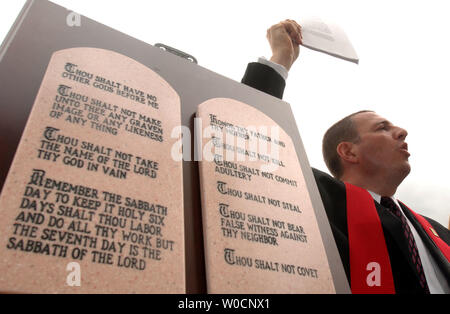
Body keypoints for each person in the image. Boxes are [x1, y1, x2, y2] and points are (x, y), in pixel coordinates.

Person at [241, 19, 449, 294]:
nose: (402, 131)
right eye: (383, 128)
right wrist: (280, 58)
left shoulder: (438, 233)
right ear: (348, 151)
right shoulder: (313, 201)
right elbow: (245, 145)